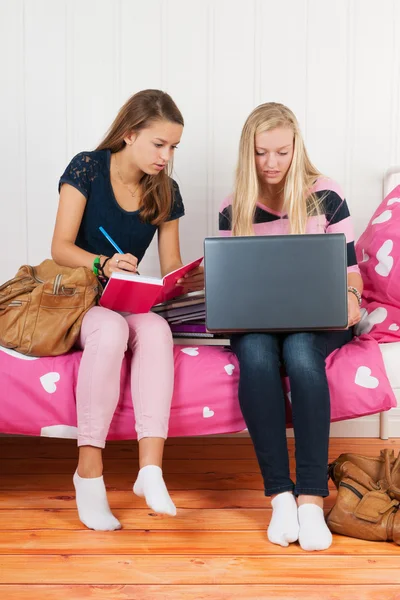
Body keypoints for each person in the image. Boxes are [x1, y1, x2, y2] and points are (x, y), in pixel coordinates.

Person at [52, 89, 203, 531]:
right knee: (111, 333)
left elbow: (171, 265)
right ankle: (89, 474)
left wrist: (187, 278)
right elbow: (60, 247)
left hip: (127, 299)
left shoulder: (165, 190)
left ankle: (150, 471)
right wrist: (103, 262)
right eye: (159, 144)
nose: (166, 155)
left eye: (173, 147)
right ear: (130, 133)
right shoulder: (87, 168)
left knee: (156, 329)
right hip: (82, 297)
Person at [218, 102, 362, 551]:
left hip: (318, 318)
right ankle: (281, 495)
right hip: (258, 320)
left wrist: (352, 300)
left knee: (300, 352)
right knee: (258, 355)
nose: (272, 163)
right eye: (262, 153)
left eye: (282, 151)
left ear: (297, 146)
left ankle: (312, 499)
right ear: (249, 153)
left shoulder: (327, 194)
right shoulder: (233, 208)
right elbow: (234, 287)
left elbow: (351, 272)